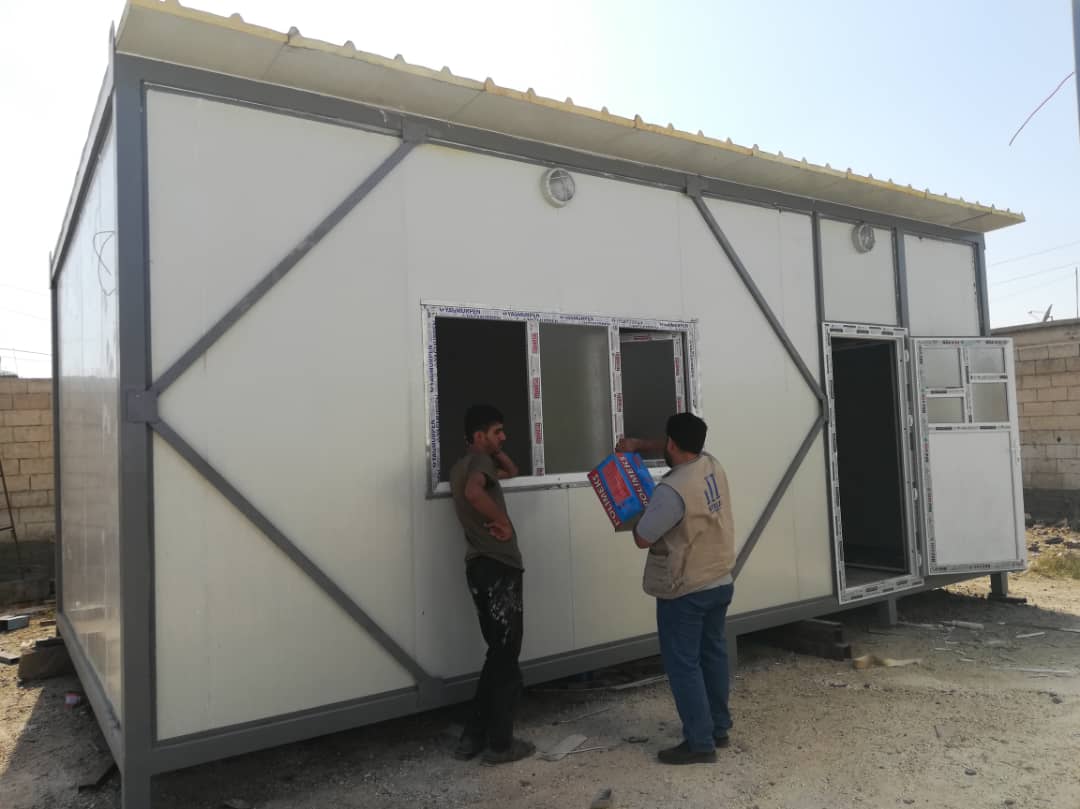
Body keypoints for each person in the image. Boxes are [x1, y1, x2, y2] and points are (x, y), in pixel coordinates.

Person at [618, 412, 736, 765]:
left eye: (666, 441)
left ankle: (699, 743)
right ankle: (718, 728)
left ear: (671, 443)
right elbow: (683, 441)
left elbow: (643, 537)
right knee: (713, 655)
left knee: (684, 665)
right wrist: (639, 446)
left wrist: (633, 506)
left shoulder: (672, 491)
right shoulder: (710, 464)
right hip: (719, 579)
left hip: (686, 588)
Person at [448, 404, 535, 764]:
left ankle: (472, 738)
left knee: (498, 654)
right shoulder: (478, 464)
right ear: (478, 436)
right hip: (498, 567)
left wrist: (496, 450)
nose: (504, 437)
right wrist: (503, 520)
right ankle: (501, 744)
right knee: (506, 658)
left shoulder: (463, 465)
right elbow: (474, 492)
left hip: (480, 569)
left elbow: (512, 471)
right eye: (497, 432)